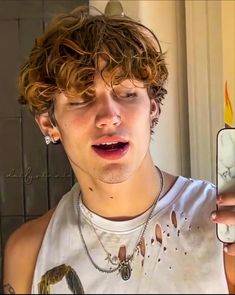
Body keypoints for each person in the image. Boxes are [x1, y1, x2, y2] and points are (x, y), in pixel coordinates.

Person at [3, 5, 235, 294]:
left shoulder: (223, 227)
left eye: (126, 94)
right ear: (49, 123)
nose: (109, 116)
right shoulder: (28, 251)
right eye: (81, 99)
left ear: (152, 108)